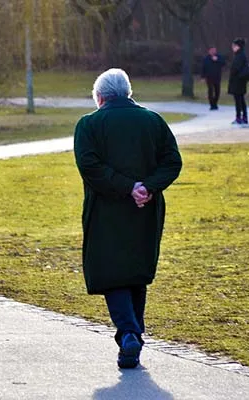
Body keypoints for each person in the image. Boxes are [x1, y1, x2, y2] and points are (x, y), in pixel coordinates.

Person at [73, 68, 183, 369]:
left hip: (106, 210)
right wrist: (146, 186)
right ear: (128, 93)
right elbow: (173, 161)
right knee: (136, 270)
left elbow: (90, 166)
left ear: (100, 97)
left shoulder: (89, 125)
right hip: (145, 208)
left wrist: (126, 187)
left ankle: (129, 333)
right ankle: (133, 334)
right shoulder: (153, 121)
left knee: (112, 272)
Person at [228, 37, 249, 125]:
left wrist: (232, 72)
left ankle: (239, 117)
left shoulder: (239, 56)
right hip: (240, 81)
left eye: (234, 45)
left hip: (238, 81)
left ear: (238, 46)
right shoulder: (241, 55)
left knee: (239, 100)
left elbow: (236, 69)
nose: (232, 47)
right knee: (240, 100)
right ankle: (243, 117)